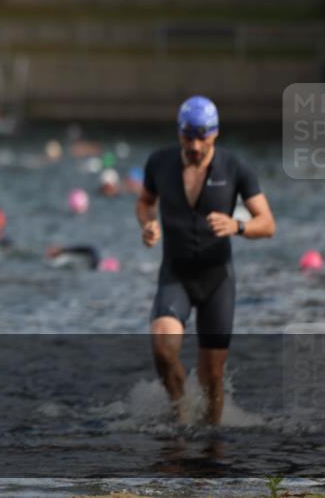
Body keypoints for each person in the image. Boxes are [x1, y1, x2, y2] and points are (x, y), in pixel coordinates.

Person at [137, 95, 275, 424]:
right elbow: (145, 202)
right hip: (176, 275)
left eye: (203, 137)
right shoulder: (159, 162)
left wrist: (237, 226)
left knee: (211, 376)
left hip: (217, 280)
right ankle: (181, 412)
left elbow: (268, 223)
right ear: (179, 133)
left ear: (215, 134)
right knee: (162, 349)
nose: (195, 145)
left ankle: (212, 444)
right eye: (188, 136)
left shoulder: (235, 167)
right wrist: (148, 224)